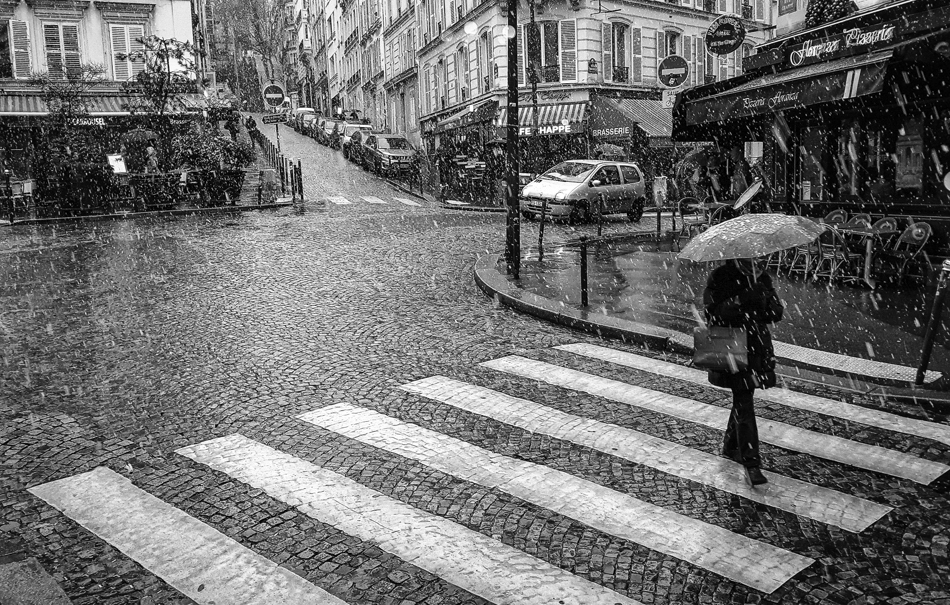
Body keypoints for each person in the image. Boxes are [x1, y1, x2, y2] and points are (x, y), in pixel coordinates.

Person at [702, 256, 784, 486]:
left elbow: (776, 313)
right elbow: (713, 314)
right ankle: (751, 463)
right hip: (733, 348)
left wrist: (765, 299)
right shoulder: (720, 277)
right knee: (744, 398)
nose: (756, 260)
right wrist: (742, 300)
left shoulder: (762, 277)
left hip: (757, 348)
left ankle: (730, 445)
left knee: (743, 396)